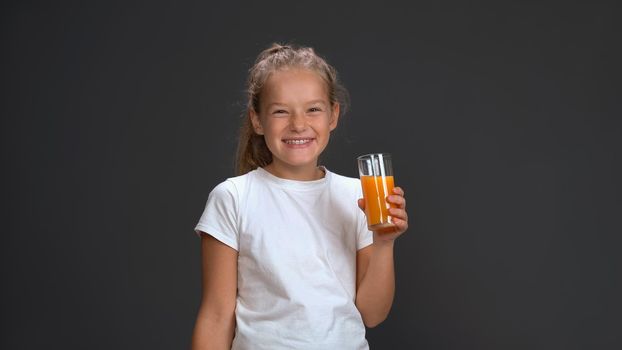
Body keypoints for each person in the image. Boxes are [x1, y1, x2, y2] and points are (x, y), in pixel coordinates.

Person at [191, 43, 408, 350]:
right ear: (257, 120)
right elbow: (215, 315)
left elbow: (371, 315)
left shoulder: (358, 197)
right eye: (280, 111)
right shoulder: (233, 198)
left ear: (333, 115)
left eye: (313, 109)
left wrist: (384, 243)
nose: (298, 124)